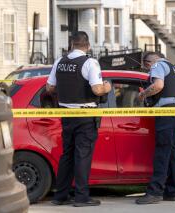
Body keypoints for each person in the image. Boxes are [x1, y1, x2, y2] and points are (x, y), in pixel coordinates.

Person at [46, 31, 111, 207]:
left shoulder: (59, 61)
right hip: (85, 115)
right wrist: (107, 87)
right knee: (83, 156)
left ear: (71, 44)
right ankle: (82, 197)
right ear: (88, 45)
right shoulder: (90, 62)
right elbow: (97, 90)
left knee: (67, 155)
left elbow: (50, 88)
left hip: (66, 114)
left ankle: (60, 196)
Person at [136, 52, 175, 204]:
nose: (148, 71)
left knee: (162, 154)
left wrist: (143, 94)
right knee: (174, 155)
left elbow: (158, 85)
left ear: (149, 62)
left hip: (166, 114)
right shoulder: (174, 70)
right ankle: (172, 192)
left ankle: (154, 193)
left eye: (147, 68)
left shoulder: (158, 65)